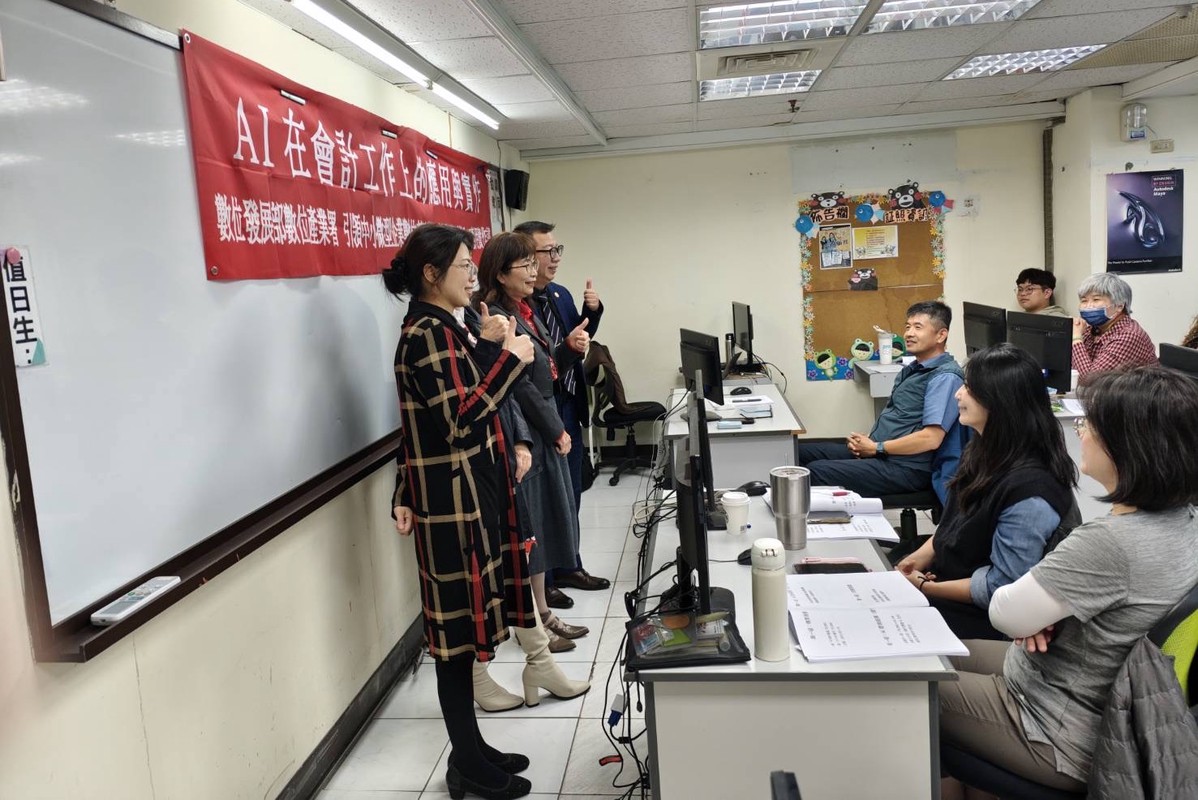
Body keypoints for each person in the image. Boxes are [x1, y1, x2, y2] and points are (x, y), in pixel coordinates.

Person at [940, 366, 1198, 797]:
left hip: (1061, 727)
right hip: (1079, 691)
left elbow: (1005, 611)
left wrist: (1036, 616)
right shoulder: (1187, 519)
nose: (1081, 432)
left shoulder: (1109, 543)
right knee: (934, 652)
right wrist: (1041, 615)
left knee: (904, 685)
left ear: (1127, 447)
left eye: (1089, 425)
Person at [385, 224, 536, 799]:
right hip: (450, 506)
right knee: (452, 643)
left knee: (466, 635)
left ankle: (471, 749)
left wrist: (490, 347)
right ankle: (466, 764)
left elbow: (426, 422)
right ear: (431, 274)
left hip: (470, 496)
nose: (473, 276)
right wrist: (509, 358)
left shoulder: (447, 325)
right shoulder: (425, 334)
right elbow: (458, 420)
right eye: (463, 267)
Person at [897, 344, 1078, 640]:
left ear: (999, 401)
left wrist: (925, 588)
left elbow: (1001, 587)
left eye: (969, 388)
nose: (958, 394)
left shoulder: (1031, 492)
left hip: (983, 619)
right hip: (946, 587)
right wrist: (914, 561)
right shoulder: (983, 449)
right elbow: (952, 525)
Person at [474, 232, 593, 651]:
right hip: (526, 431)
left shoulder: (525, 309)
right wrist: (555, 428)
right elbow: (519, 385)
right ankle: (533, 623)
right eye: (524, 264)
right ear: (500, 273)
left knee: (542, 527)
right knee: (532, 530)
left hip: (541, 425)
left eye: (532, 262)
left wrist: (569, 349)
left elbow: (545, 368)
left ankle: (543, 613)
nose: (533, 271)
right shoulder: (497, 319)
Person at [514, 220, 610, 604]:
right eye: (547, 251)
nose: (555, 258)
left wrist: (593, 312)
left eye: (558, 250)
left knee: (572, 491)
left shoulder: (559, 294)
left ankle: (570, 563)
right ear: (524, 257)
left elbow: (576, 340)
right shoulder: (517, 308)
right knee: (546, 499)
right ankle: (547, 577)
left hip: (569, 403)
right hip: (540, 412)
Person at [799, 301, 964, 501]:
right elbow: (901, 418)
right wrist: (868, 441)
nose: (909, 333)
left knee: (814, 472)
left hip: (908, 468)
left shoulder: (944, 377)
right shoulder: (914, 369)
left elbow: (931, 438)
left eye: (918, 327)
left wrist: (876, 447)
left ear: (941, 335)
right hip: (884, 453)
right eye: (907, 326)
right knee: (798, 452)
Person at [1072, 272, 1158, 381]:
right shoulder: (1093, 329)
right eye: (1084, 301)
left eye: (1096, 299)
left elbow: (1089, 380)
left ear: (1119, 306)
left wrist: (1076, 338)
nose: (1088, 306)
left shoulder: (1129, 335)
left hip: (1137, 392)